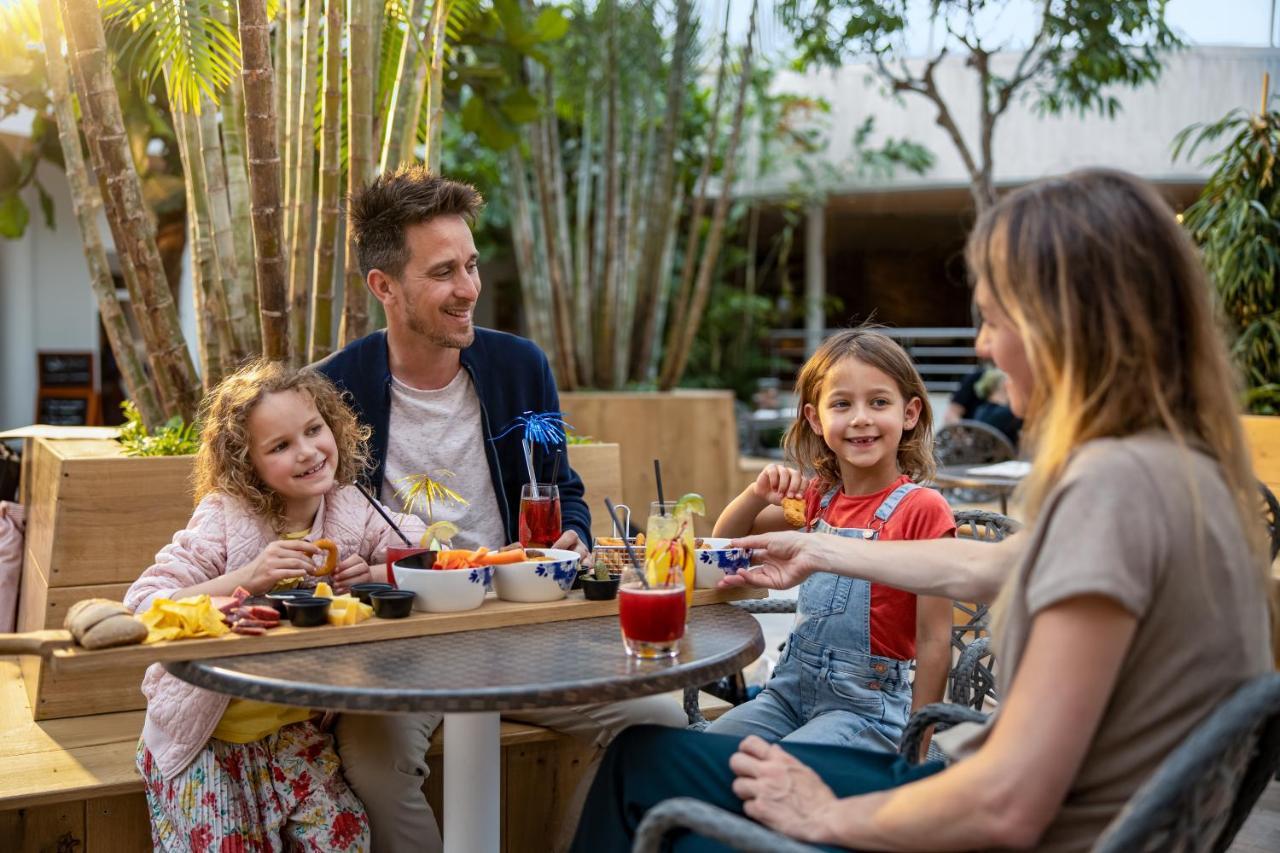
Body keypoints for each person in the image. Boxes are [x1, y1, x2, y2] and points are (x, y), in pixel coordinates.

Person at [571, 168, 1274, 852]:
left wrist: (829, 814)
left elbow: (1008, 801)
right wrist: (820, 546)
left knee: (655, 778)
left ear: (1065, 325)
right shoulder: (1179, 471)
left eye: (996, 318)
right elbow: (992, 561)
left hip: (1019, 821)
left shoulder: (1114, 487)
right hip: (1045, 809)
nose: (984, 346)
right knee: (662, 773)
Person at [315, 166, 685, 853]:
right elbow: (309, 525)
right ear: (384, 286)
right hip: (400, 642)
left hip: (524, 625)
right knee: (372, 760)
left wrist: (571, 536)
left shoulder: (520, 367)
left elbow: (561, 488)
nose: (469, 289)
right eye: (444, 271)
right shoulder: (334, 390)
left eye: (473, 264)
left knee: (658, 721)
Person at [125, 361, 429, 851]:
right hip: (207, 735)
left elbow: (428, 558)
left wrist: (369, 575)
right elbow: (144, 604)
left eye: (314, 430)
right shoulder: (224, 516)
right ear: (249, 463)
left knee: (345, 841)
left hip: (297, 734)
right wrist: (246, 578)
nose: (308, 452)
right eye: (281, 446)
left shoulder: (352, 506)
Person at [709, 328, 954, 756]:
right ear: (816, 419)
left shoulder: (923, 510)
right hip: (785, 695)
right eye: (842, 404)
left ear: (910, 413)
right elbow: (725, 542)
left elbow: (935, 641)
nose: (860, 418)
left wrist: (917, 747)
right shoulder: (817, 499)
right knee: (707, 755)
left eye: (879, 402)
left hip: (866, 711)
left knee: (779, 771)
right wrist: (755, 493)